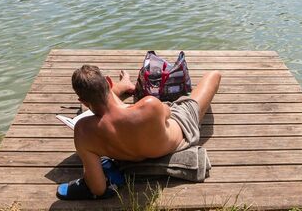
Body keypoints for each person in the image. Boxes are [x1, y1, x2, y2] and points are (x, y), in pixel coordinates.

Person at [59, 65, 221, 199]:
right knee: (213, 75)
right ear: (108, 82)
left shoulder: (83, 131)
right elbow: (168, 112)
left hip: (127, 153)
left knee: (107, 104)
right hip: (180, 132)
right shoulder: (149, 105)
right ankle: (122, 86)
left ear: (83, 102)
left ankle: (125, 85)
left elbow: (98, 188)